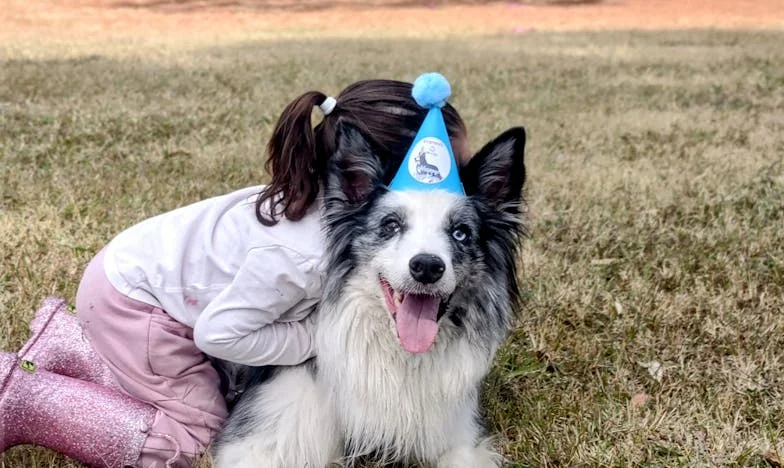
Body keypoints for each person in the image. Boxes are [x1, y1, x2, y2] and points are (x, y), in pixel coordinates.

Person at [0, 76, 470, 467]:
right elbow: (219, 334)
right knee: (195, 436)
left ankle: (75, 351)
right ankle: (32, 400)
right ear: (362, 177)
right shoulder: (301, 256)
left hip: (136, 280)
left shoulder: (322, 208)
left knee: (217, 388)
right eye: (452, 170)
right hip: (138, 306)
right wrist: (313, 338)